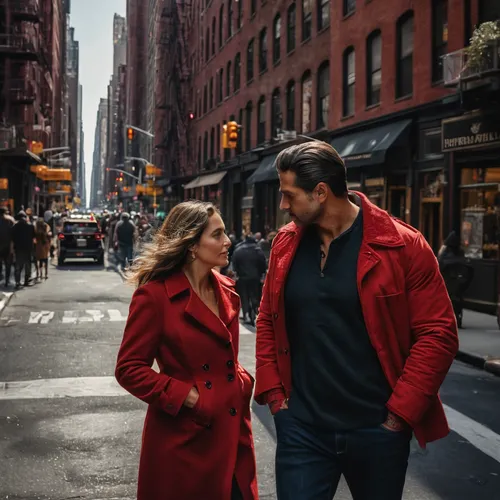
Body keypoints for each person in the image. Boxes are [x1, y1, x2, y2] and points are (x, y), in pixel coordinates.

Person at [254, 142, 459, 500]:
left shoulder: (403, 245)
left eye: (289, 195)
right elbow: (268, 318)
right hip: (302, 429)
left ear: (320, 192)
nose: (283, 205)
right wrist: (275, 397)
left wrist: (398, 417)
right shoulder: (285, 243)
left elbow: (438, 334)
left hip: (376, 432)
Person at [115, 200, 258, 500]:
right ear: (192, 244)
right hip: (183, 439)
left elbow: (224, 360)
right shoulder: (154, 297)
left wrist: (242, 381)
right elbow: (129, 368)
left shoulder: (227, 290)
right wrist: (189, 396)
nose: (227, 241)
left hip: (231, 431)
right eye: (216, 235)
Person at [231, 233, 267, 325]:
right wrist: (261, 273)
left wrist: (237, 272)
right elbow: (263, 263)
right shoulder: (258, 250)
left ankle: (246, 313)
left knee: (244, 296)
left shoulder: (238, 250)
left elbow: (234, 263)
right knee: (255, 294)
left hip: (242, 276)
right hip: (255, 276)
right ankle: (254, 311)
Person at [11, 211, 35, 288]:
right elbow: (33, 237)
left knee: (18, 266)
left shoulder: (14, 227)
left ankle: (17, 282)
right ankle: (26, 281)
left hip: (18, 249)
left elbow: (12, 238)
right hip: (28, 249)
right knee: (28, 266)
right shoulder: (30, 226)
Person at [0, 206, 15, 287]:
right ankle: (7, 281)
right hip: (8, 246)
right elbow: (14, 235)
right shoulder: (10, 220)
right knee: (8, 265)